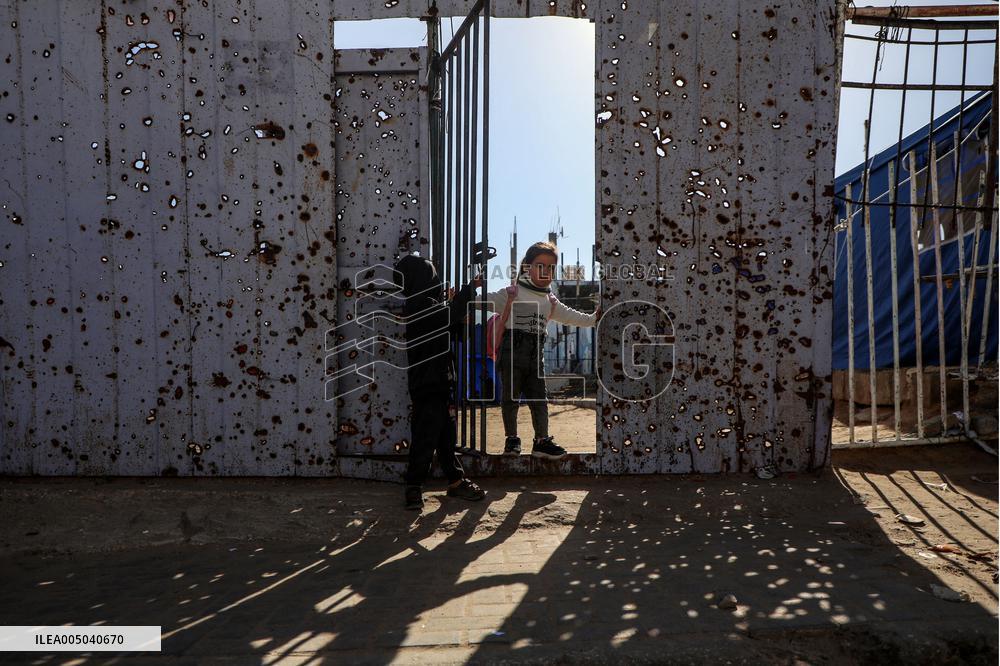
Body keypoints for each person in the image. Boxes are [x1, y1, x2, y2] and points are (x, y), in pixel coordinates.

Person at [485, 241, 600, 460]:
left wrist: (595, 318)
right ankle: (512, 440)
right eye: (540, 265)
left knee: (539, 398)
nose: (546, 271)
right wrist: (459, 298)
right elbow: (481, 301)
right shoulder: (512, 293)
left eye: (550, 267)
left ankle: (541, 441)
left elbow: (573, 316)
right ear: (527, 267)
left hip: (535, 354)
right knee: (510, 398)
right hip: (511, 351)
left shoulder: (550, 301)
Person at [393, 254, 487, 510]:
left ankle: (456, 481)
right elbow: (448, 316)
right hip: (428, 383)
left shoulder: (427, 305)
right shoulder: (420, 305)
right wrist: (468, 290)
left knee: (445, 435)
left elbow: (449, 330)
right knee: (425, 436)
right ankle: (414, 487)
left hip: (437, 382)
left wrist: (457, 318)